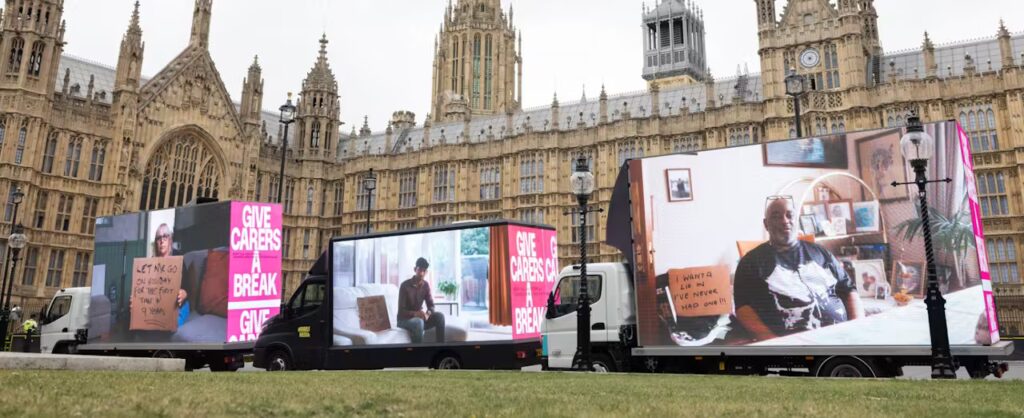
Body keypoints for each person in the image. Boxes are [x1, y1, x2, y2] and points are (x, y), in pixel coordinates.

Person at [734, 196, 863, 342]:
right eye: (776, 216)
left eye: (790, 215)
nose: (785, 220)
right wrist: (775, 344)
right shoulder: (750, 263)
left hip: (843, 339)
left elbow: (849, 290)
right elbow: (743, 309)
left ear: (797, 219)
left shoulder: (821, 252)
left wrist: (857, 328)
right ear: (766, 224)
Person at [397, 257, 445, 344]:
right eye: (420, 270)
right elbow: (401, 312)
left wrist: (428, 314)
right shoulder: (404, 286)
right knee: (419, 322)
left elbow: (431, 305)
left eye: (424, 271)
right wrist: (416, 314)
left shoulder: (426, 285)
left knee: (440, 317)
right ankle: (419, 352)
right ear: (415, 269)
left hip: (419, 319)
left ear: (426, 272)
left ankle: (441, 347)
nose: (422, 273)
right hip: (404, 320)